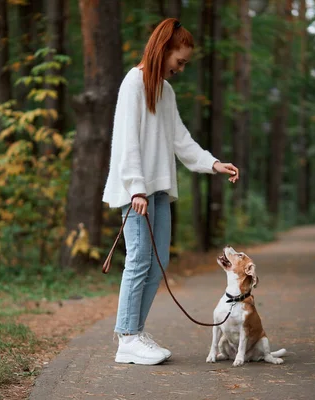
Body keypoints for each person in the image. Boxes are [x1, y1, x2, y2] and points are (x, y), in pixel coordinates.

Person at [102, 18, 239, 365]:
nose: (181, 68)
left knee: (158, 262)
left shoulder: (165, 91)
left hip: (158, 191)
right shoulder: (133, 83)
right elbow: (127, 141)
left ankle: (136, 330)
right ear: (163, 50)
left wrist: (213, 164)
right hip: (138, 193)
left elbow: (180, 140)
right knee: (138, 261)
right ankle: (127, 337)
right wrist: (136, 188)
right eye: (180, 61)